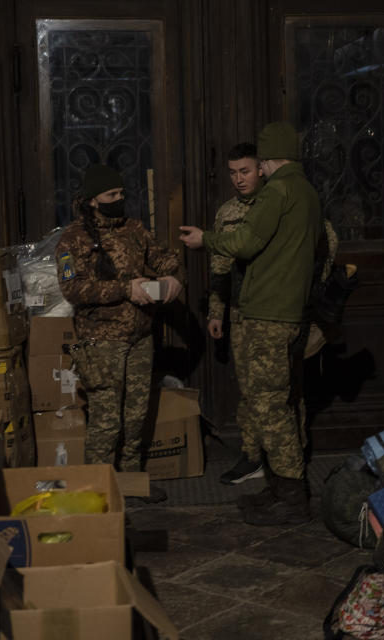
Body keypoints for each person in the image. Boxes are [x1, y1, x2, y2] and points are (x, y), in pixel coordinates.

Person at [180, 121, 322, 525]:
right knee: (278, 400)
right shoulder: (307, 191)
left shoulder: (279, 191)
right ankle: (279, 489)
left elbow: (244, 243)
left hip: (269, 315)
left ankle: (292, 498)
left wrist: (204, 239)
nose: (250, 174)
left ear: (267, 160)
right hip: (287, 310)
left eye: (256, 164)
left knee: (270, 407)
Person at [56, 164, 182, 502]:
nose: (119, 199)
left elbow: (165, 258)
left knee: (136, 415)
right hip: (102, 341)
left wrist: (172, 278)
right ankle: (97, 492)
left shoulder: (135, 229)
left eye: (121, 193)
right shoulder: (73, 238)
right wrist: (125, 288)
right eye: (111, 195)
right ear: (93, 200)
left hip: (140, 337)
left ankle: (130, 485)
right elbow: (74, 289)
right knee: (107, 421)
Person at [206, 143, 269, 486]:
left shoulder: (277, 205)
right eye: (233, 173)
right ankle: (253, 455)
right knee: (248, 389)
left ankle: (285, 456)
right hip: (240, 314)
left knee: (279, 389)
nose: (238, 179)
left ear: (261, 168)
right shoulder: (227, 212)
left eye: (245, 171)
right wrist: (217, 312)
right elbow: (219, 268)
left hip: (276, 311)